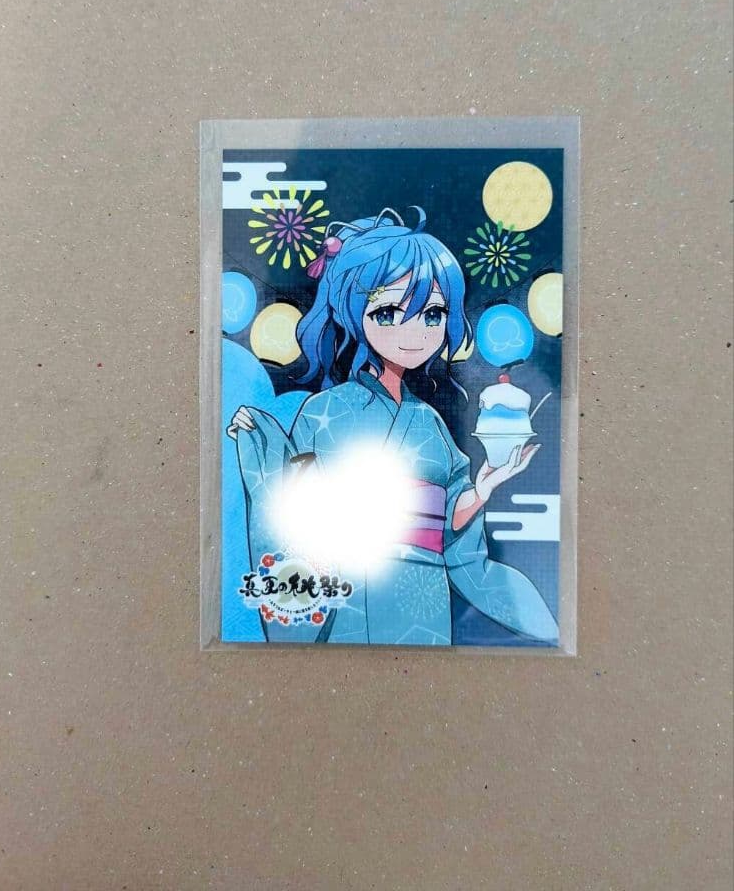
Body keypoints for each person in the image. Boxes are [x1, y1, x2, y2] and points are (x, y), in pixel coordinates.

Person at [228, 208, 557, 645]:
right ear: (353, 313)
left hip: (424, 597)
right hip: (353, 588)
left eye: (433, 314)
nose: (414, 333)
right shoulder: (324, 411)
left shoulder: (429, 422)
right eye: (386, 313)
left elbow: (449, 531)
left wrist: (482, 490)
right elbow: (292, 505)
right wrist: (263, 440)